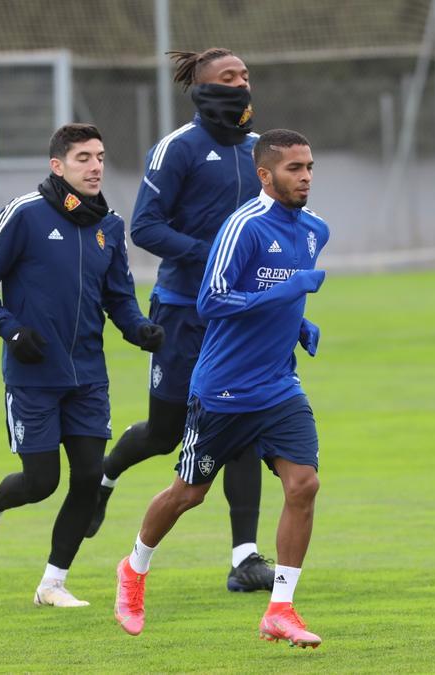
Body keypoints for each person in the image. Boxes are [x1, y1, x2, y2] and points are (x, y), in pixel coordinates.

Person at [113, 129, 329, 648]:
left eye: (309, 167)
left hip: (279, 386)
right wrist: (288, 290)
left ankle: (281, 608)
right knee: (189, 494)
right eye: (293, 168)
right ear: (265, 174)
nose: (304, 177)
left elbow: (271, 296)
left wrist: (298, 322)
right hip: (224, 390)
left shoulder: (315, 230)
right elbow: (211, 302)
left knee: (304, 485)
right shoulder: (243, 226)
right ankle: (134, 568)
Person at [86, 47, 275, 594]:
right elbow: (145, 227)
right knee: (167, 434)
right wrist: (210, 252)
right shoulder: (178, 148)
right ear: (202, 86)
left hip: (239, 315)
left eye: (246, 73)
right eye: (229, 76)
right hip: (182, 309)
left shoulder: (254, 150)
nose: (242, 83)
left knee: (242, 426)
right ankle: (104, 474)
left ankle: (245, 559)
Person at [0, 123, 164, 608]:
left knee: (89, 478)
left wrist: (140, 329)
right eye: (83, 158)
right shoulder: (25, 214)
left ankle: (52, 584)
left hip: (88, 375)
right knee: (41, 482)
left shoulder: (110, 225)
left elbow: (118, 297)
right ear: (58, 166)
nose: (95, 166)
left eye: (100, 156)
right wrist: (9, 329)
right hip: (33, 376)